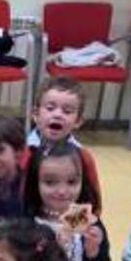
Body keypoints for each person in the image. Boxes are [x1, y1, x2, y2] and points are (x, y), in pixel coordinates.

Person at [23, 77, 103, 215]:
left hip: (69, 226)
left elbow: (90, 199)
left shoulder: (83, 157)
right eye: (50, 108)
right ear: (36, 114)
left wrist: (73, 232)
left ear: (78, 121)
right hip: (28, 223)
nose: (58, 115)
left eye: (67, 111)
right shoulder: (22, 153)